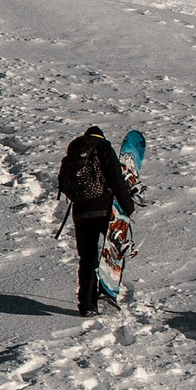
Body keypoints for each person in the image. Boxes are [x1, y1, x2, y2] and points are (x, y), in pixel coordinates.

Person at [56, 125, 134, 315]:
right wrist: (128, 206)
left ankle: (87, 305)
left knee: (87, 258)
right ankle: (107, 291)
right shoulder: (103, 147)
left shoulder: (74, 151)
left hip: (81, 212)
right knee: (114, 251)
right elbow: (116, 177)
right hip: (105, 210)